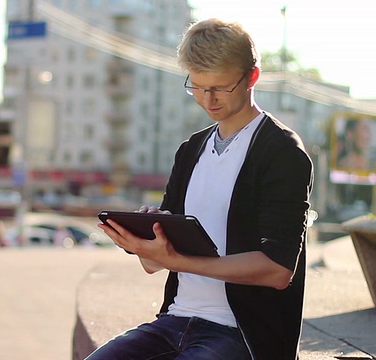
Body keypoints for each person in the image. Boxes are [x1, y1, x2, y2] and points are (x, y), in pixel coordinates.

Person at [91, 18, 313, 360]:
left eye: (220, 87)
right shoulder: (191, 150)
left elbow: (278, 270)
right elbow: (155, 266)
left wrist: (179, 259)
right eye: (197, 86)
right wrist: (145, 245)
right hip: (174, 321)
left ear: (251, 77)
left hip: (241, 333)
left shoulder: (281, 152)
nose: (208, 100)